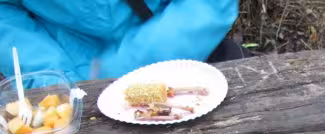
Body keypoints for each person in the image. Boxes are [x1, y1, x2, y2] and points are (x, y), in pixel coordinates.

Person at [0, 0, 242, 82]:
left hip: (188, 49)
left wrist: (132, 64)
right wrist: (54, 82)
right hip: (79, 76)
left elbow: (209, 6)